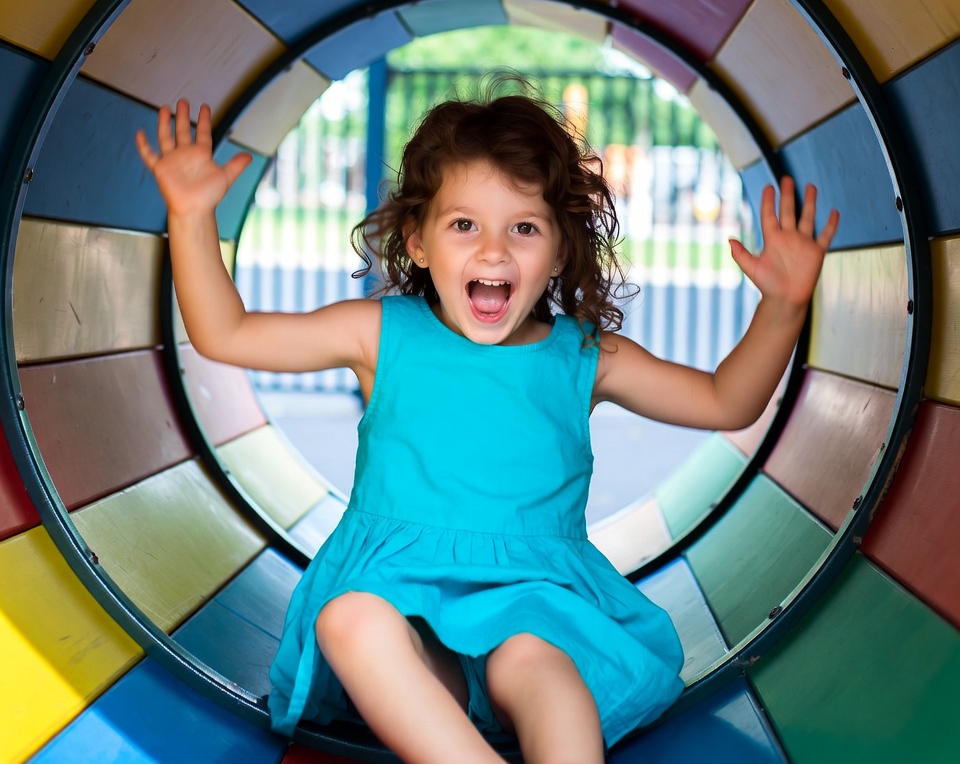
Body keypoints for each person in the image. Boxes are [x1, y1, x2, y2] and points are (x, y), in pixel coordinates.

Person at [137, 88, 838, 764]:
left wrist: (781, 306)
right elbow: (226, 333)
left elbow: (724, 401)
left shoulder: (581, 357)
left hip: (533, 606)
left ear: (561, 251)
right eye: (464, 224)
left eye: (524, 228)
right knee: (348, 620)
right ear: (416, 241)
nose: (494, 252)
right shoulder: (381, 335)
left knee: (543, 671)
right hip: (403, 608)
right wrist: (193, 215)